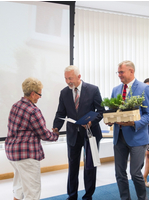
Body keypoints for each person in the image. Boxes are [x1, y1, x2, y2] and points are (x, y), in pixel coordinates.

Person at [53, 65, 105, 200]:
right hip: (73, 136)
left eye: (70, 78)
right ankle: (72, 196)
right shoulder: (64, 92)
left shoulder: (93, 90)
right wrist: (56, 128)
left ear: (79, 77)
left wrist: (90, 122)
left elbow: (100, 111)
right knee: (73, 167)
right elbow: (60, 113)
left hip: (90, 134)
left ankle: (88, 196)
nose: (68, 81)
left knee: (89, 167)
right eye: (66, 78)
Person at [106, 60, 149, 200]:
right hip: (118, 136)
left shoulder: (144, 88)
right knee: (119, 173)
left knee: (135, 173)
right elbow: (113, 111)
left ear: (131, 71)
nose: (119, 75)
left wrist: (133, 123)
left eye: (121, 72)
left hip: (137, 137)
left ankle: (142, 198)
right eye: (118, 72)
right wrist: (110, 119)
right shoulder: (116, 90)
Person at [5, 77, 59, 200]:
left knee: (18, 189)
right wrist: (55, 135)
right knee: (32, 193)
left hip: (12, 153)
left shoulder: (15, 106)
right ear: (33, 94)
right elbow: (44, 134)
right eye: (39, 94)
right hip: (26, 156)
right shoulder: (33, 111)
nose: (40, 97)